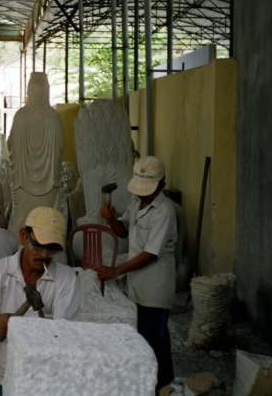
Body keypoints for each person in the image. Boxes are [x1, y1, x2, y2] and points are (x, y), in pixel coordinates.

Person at [0, 206, 80, 396]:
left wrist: (27, 327)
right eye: (39, 245)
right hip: (2, 376)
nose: (44, 255)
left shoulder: (66, 279)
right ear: (23, 236)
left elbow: (64, 338)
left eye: (52, 250)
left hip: (46, 377)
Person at [98, 156, 177, 391]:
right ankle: (165, 383)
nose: (143, 195)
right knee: (156, 337)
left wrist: (116, 270)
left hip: (155, 284)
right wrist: (111, 218)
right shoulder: (136, 201)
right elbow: (123, 232)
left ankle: (152, 386)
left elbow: (150, 253)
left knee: (152, 339)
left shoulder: (164, 211)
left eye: (148, 191)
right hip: (136, 281)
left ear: (162, 185)